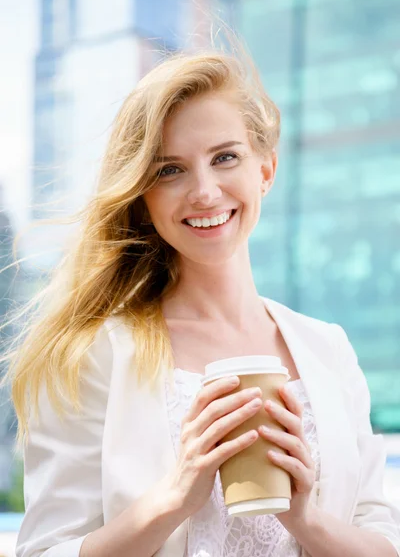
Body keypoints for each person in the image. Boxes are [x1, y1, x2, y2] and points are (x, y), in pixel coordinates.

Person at [3, 46, 400, 557]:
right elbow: (43, 551)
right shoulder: (95, 354)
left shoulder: (328, 349)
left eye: (225, 157)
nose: (205, 192)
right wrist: (175, 497)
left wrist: (306, 521)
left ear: (266, 170)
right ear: (143, 197)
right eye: (170, 170)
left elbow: (383, 542)